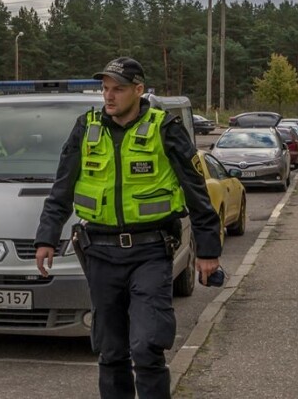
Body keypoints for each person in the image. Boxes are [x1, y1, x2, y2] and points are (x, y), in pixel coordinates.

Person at [34, 57, 222, 399]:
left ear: (138, 90)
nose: (109, 96)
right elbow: (62, 188)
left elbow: (196, 190)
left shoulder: (165, 128)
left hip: (150, 251)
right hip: (100, 253)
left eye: (118, 89)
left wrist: (208, 251)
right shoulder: (85, 127)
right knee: (111, 351)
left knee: (148, 346)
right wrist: (46, 238)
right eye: (105, 88)